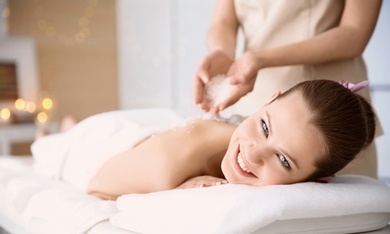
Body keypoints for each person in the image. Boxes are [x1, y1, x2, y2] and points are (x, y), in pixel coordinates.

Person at [31, 80, 376, 200]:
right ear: (267, 101)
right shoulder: (168, 165)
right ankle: (61, 133)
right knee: (52, 148)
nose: (254, 154)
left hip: (161, 131)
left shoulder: (249, 139)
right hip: (106, 148)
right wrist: (172, 193)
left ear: (316, 181)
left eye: (283, 160)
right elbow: (97, 190)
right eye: (265, 127)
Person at [193, 0, 383, 178]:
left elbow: (354, 33)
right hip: (253, 97)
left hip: (330, 123)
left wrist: (261, 59)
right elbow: (224, 20)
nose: (254, 154)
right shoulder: (250, 136)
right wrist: (222, 51)